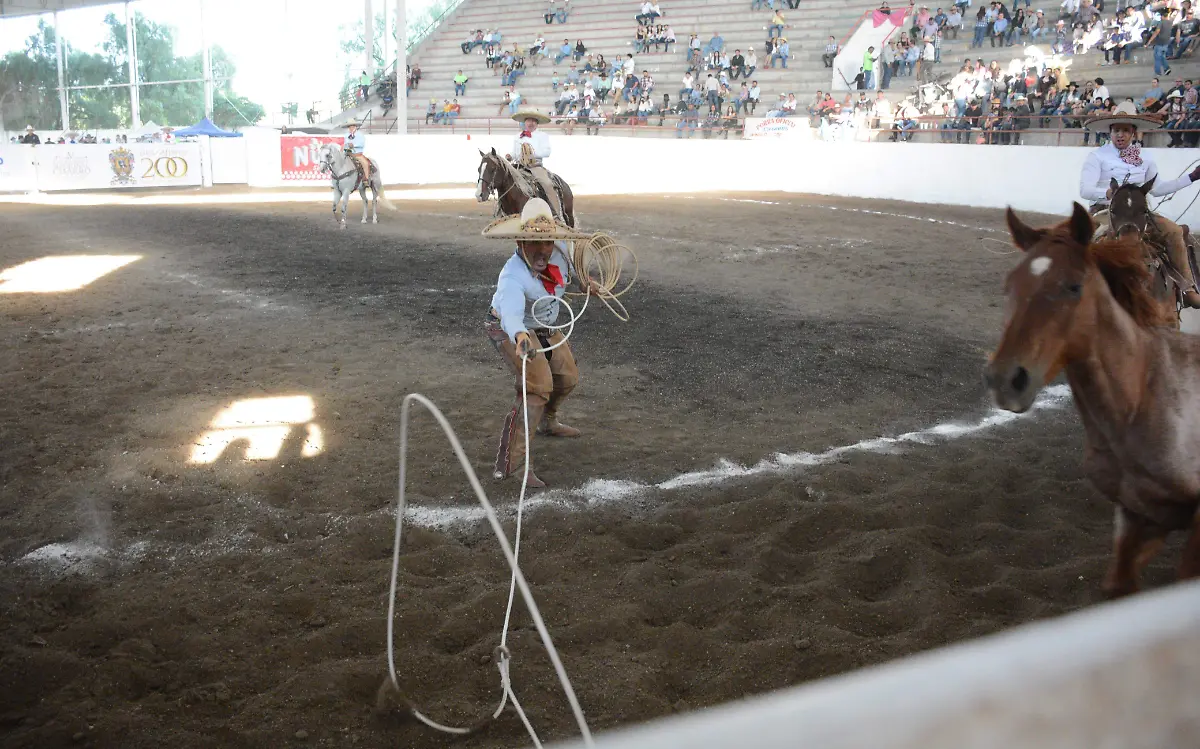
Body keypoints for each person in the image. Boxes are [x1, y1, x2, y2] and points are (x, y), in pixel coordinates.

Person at [483, 198, 602, 488]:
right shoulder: (512, 275)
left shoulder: (561, 252)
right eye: (535, 242)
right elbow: (512, 314)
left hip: (545, 325)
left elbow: (573, 276)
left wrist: (586, 283)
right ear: (520, 242)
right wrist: (521, 336)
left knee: (567, 377)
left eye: (547, 241)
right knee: (537, 386)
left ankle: (548, 421)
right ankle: (512, 465)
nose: (543, 249)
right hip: (511, 328)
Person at [1080, 101, 1200, 308]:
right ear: (1110, 132)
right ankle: (1081, 292)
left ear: (1133, 133)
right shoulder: (1097, 156)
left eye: (1125, 130)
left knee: (1174, 231)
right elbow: (1085, 190)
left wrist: (1191, 177)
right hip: (1106, 211)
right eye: (1116, 130)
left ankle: (1187, 289)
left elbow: (1158, 188)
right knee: (1089, 241)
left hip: (1138, 213)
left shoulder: (1146, 157)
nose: (1120, 135)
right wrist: (1107, 193)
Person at [508, 108, 563, 221]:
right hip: (519, 166)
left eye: (533, 121)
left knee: (547, 184)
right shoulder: (517, 136)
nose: (531, 123)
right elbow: (515, 153)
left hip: (535, 167)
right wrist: (510, 156)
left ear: (537, 123)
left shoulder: (543, 136)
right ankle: (503, 211)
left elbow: (547, 152)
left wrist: (531, 153)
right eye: (529, 120)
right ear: (525, 122)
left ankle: (556, 214)